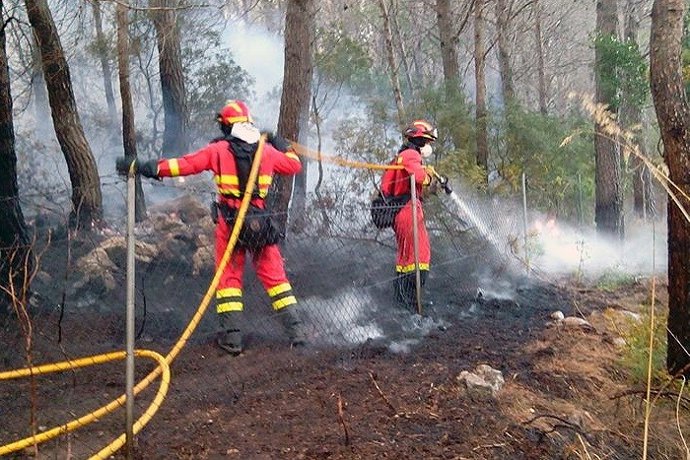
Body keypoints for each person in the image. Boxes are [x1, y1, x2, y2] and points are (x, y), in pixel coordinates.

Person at [116, 100, 306, 355]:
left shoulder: (217, 150)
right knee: (276, 279)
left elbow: (181, 165)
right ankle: (297, 334)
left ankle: (232, 340)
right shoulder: (267, 152)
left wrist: (143, 167)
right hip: (260, 223)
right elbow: (294, 164)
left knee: (229, 279)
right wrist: (279, 142)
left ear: (226, 126)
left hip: (230, 224)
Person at [378, 119, 444, 309]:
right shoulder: (409, 155)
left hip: (404, 209)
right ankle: (411, 300)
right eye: (427, 141)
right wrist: (430, 176)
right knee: (419, 255)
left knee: (407, 256)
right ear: (419, 140)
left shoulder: (405, 155)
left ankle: (404, 301)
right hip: (408, 210)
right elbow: (420, 177)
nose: (429, 146)